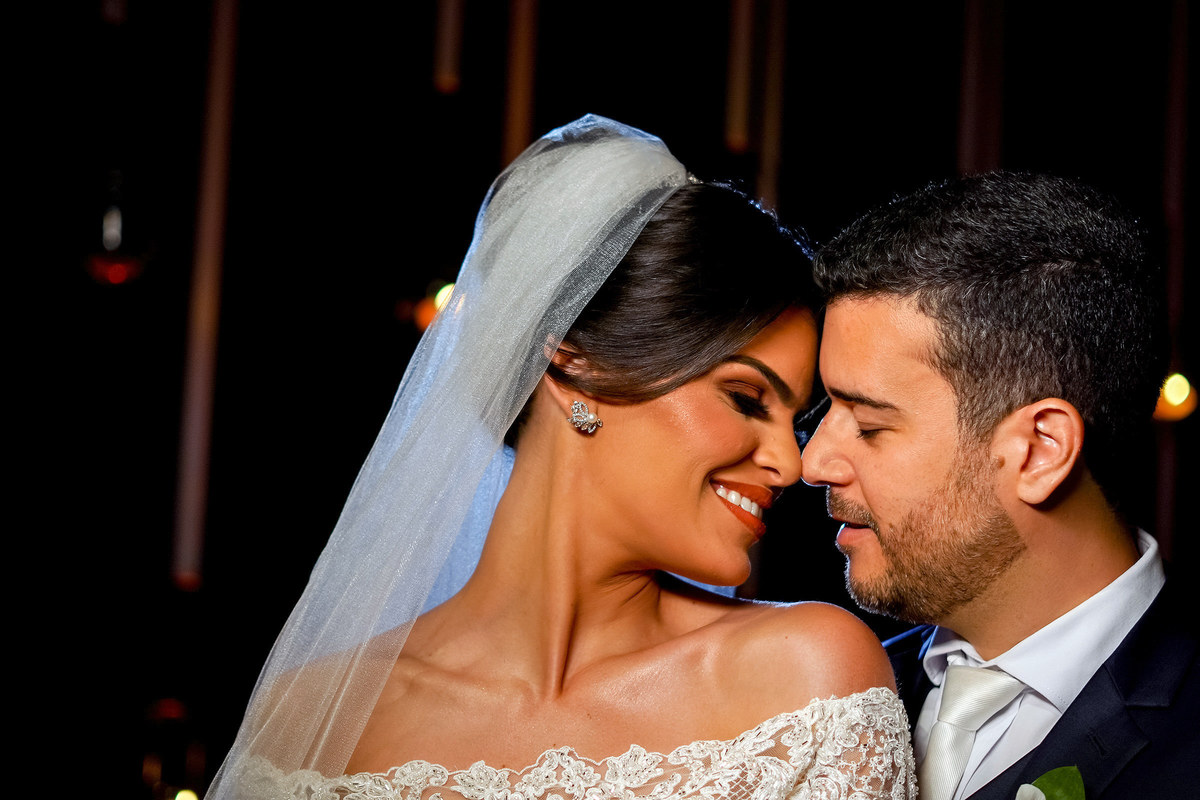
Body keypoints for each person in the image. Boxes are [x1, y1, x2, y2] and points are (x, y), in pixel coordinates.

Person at [206, 115, 915, 800]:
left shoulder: (807, 685)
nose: (791, 465)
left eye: (795, 420)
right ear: (574, 363)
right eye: (745, 398)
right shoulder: (314, 721)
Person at [800, 171, 1199, 800]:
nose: (813, 462)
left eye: (870, 425)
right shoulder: (821, 701)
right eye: (825, 411)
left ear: (1039, 451)